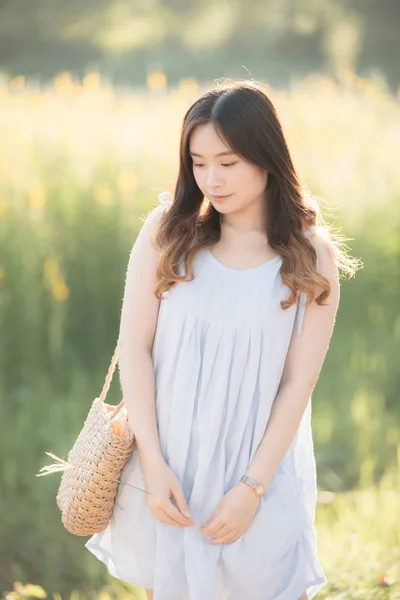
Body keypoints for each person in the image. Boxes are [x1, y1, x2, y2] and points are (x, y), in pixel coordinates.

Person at [85, 79, 358, 599]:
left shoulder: (308, 253)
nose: (212, 178)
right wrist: (155, 462)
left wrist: (253, 488)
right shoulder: (168, 231)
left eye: (228, 162)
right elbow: (135, 349)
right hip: (169, 465)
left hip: (259, 465)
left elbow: (299, 382)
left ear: (266, 156)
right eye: (198, 161)